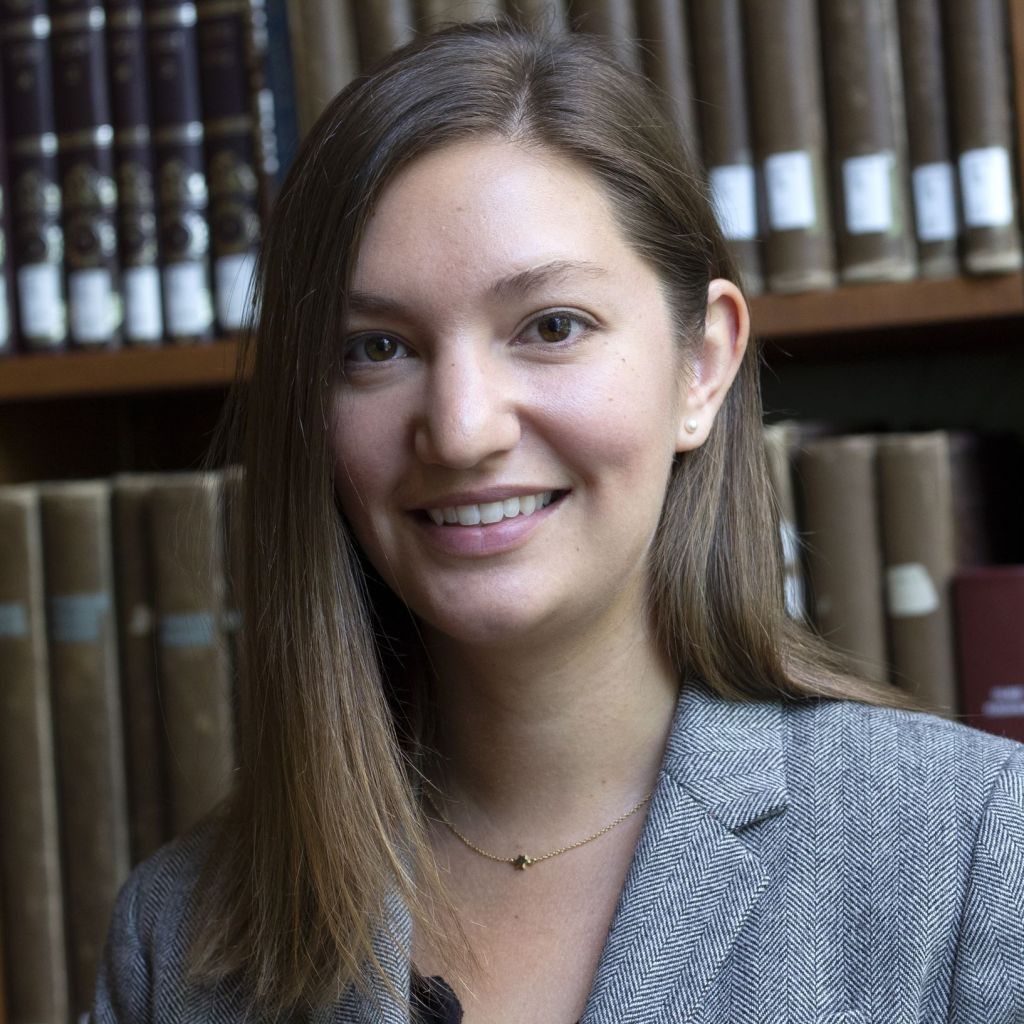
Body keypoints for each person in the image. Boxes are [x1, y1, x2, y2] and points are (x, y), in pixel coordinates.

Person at [92, 19, 1024, 1024]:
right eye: (375, 348)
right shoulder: (175, 935)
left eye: (550, 327)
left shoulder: (973, 849)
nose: (460, 430)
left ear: (702, 365)